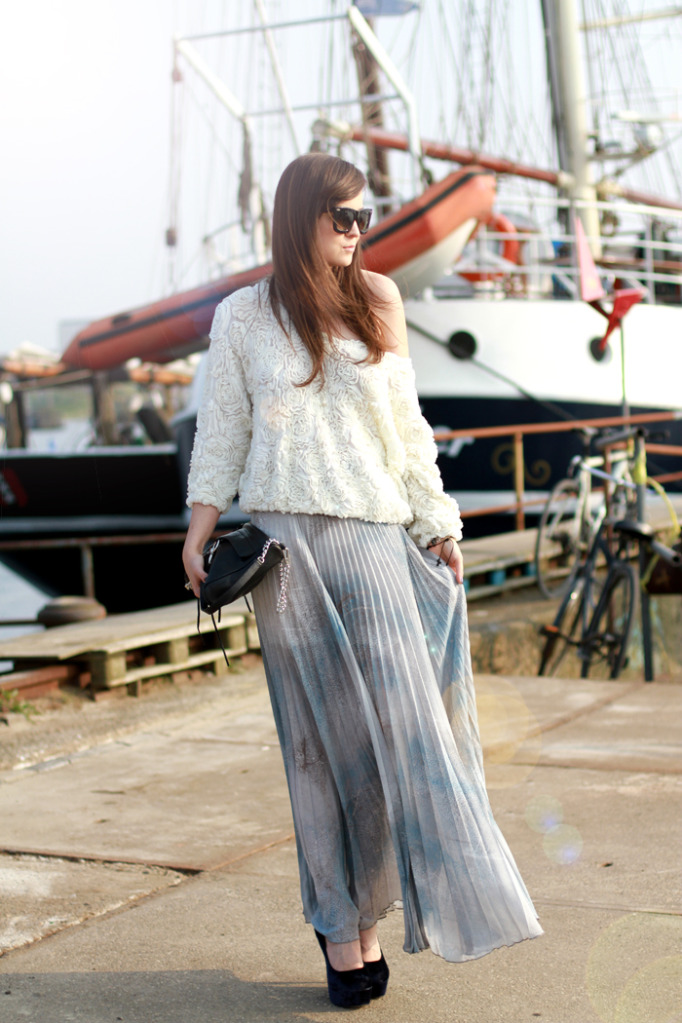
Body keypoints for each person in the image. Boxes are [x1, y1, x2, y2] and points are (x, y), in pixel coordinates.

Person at [183, 152, 542, 1009]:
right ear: (298, 216)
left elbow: (407, 430)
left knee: (404, 741)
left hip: (376, 539)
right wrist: (198, 529)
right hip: (285, 555)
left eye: (363, 217)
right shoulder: (242, 315)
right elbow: (223, 430)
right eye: (340, 216)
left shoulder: (378, 298)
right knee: (320, 751)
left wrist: (439, 523)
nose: (355, 231)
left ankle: (389, 908)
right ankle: (343, 930)